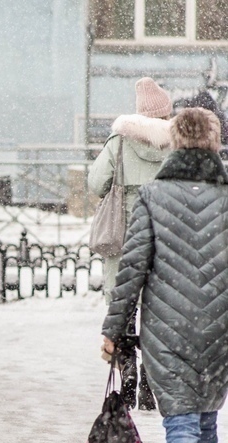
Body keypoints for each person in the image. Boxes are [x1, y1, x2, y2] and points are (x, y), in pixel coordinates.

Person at [101, 108, 228, 443]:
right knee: (206, 420)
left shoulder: (153, 197)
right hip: (221, 332)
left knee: (181, 422)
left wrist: (114, 328)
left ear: (173, 142)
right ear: (214, 144)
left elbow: (132, 268)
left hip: (167, 332)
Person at [88, 77, 172, 411]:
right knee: (154, 308)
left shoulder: (118, 143)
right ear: (165, 115)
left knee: (122, 306)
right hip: (161, 238)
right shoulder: (176, 145)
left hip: (122, 237)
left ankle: (127, 373)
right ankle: (151, 383)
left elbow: (96, 183)